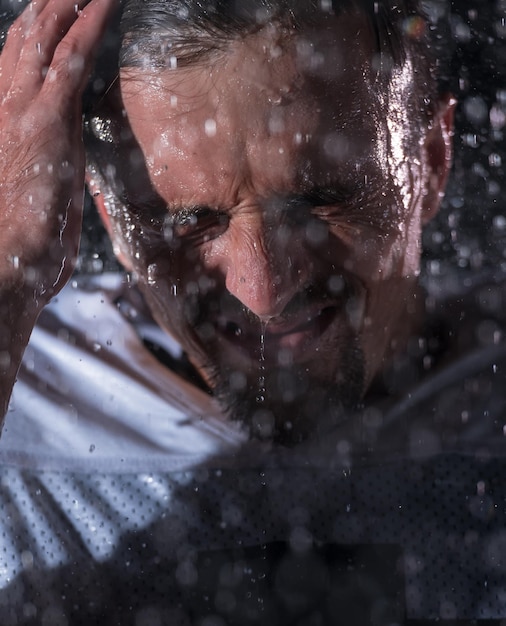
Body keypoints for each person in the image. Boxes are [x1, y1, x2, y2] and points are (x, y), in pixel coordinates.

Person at [0, 0, 505, 623]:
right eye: (191, 223)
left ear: (430, 162)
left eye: (319, 202)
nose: (263, 291)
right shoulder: (21, 404)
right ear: (111, 221)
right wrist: (7, 274)